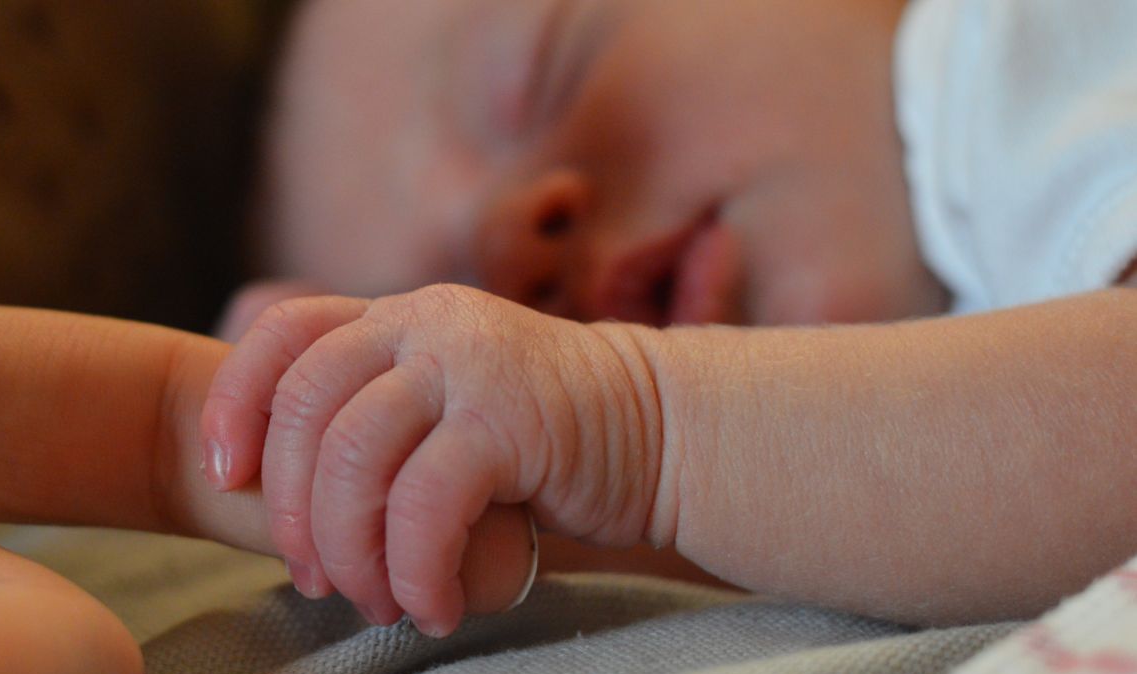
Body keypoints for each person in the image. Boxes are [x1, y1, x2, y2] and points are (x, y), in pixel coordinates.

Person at [202, 0, 1137, 637]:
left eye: (543, 74)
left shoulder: (999, 51)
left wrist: (643, 425)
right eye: (454, 299)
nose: (505, 240)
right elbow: (833, 507)